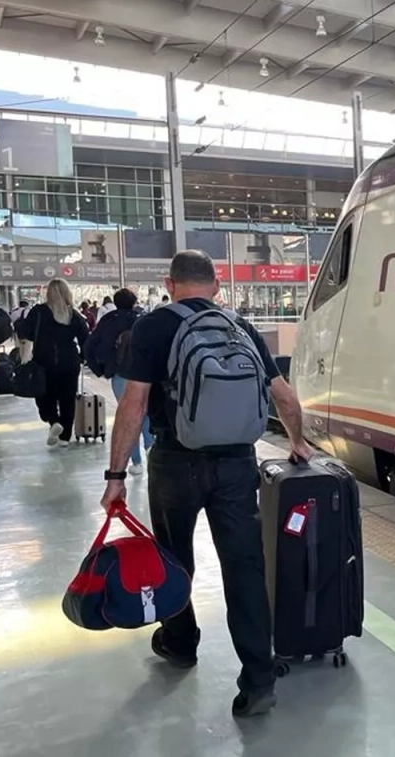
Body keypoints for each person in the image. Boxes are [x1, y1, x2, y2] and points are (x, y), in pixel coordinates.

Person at [100, 250, 311, 719]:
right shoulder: (240, 326)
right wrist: (297, 442)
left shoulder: (154, 327)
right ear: (216, 286)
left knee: (174, 558)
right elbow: (284, 397)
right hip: (237, 465)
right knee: (244, 569)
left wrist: (116, 477)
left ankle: (180, 642)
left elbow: (133, 406)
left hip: (176, 463)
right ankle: (258, 677)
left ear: (170, 283)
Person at [85, 288, 151, 474]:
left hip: (119, 373)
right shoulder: (143, 318)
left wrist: (100, 370)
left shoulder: (108, 320)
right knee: (145, 413)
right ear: (134, 301)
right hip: (144, 373)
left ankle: (136, 463)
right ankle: (151, 452)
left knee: (127, 416)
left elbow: (89, 345)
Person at [17, 279, 89, 447]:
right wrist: (83, 358)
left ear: (48, 293)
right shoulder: (75, 315)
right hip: (70, 362)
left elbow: (26, 332)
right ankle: (65, 438)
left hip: (44, 361)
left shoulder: (39, 311)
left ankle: (53, 420)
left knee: (44, 395)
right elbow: (86, 339)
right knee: (67, 399)